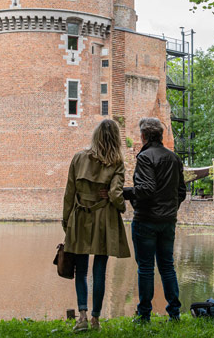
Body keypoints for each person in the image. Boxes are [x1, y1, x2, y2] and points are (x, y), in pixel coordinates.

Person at [62, 119, 131, 332]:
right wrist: (120, 207)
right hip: (104, 218)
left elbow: (69, 193)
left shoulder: (78, 158)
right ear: (116, 139)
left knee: (80, 270)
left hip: (80, 217)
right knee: (100, 270)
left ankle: (81, 316)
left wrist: (66, 220)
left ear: (95, 136)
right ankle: (95, 319)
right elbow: (116, 194)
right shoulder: (117, 162)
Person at [122, 117, 187, 323]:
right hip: (168, 221)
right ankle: (174, 313)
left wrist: (122, 192)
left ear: (143, 136)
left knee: (146, 268)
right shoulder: (174, 158)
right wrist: (170, 209)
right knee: (167, 266)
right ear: (160, 135)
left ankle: (144, 315)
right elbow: (182, 192)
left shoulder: (145, 157)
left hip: (147, 220)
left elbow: (146, 189)